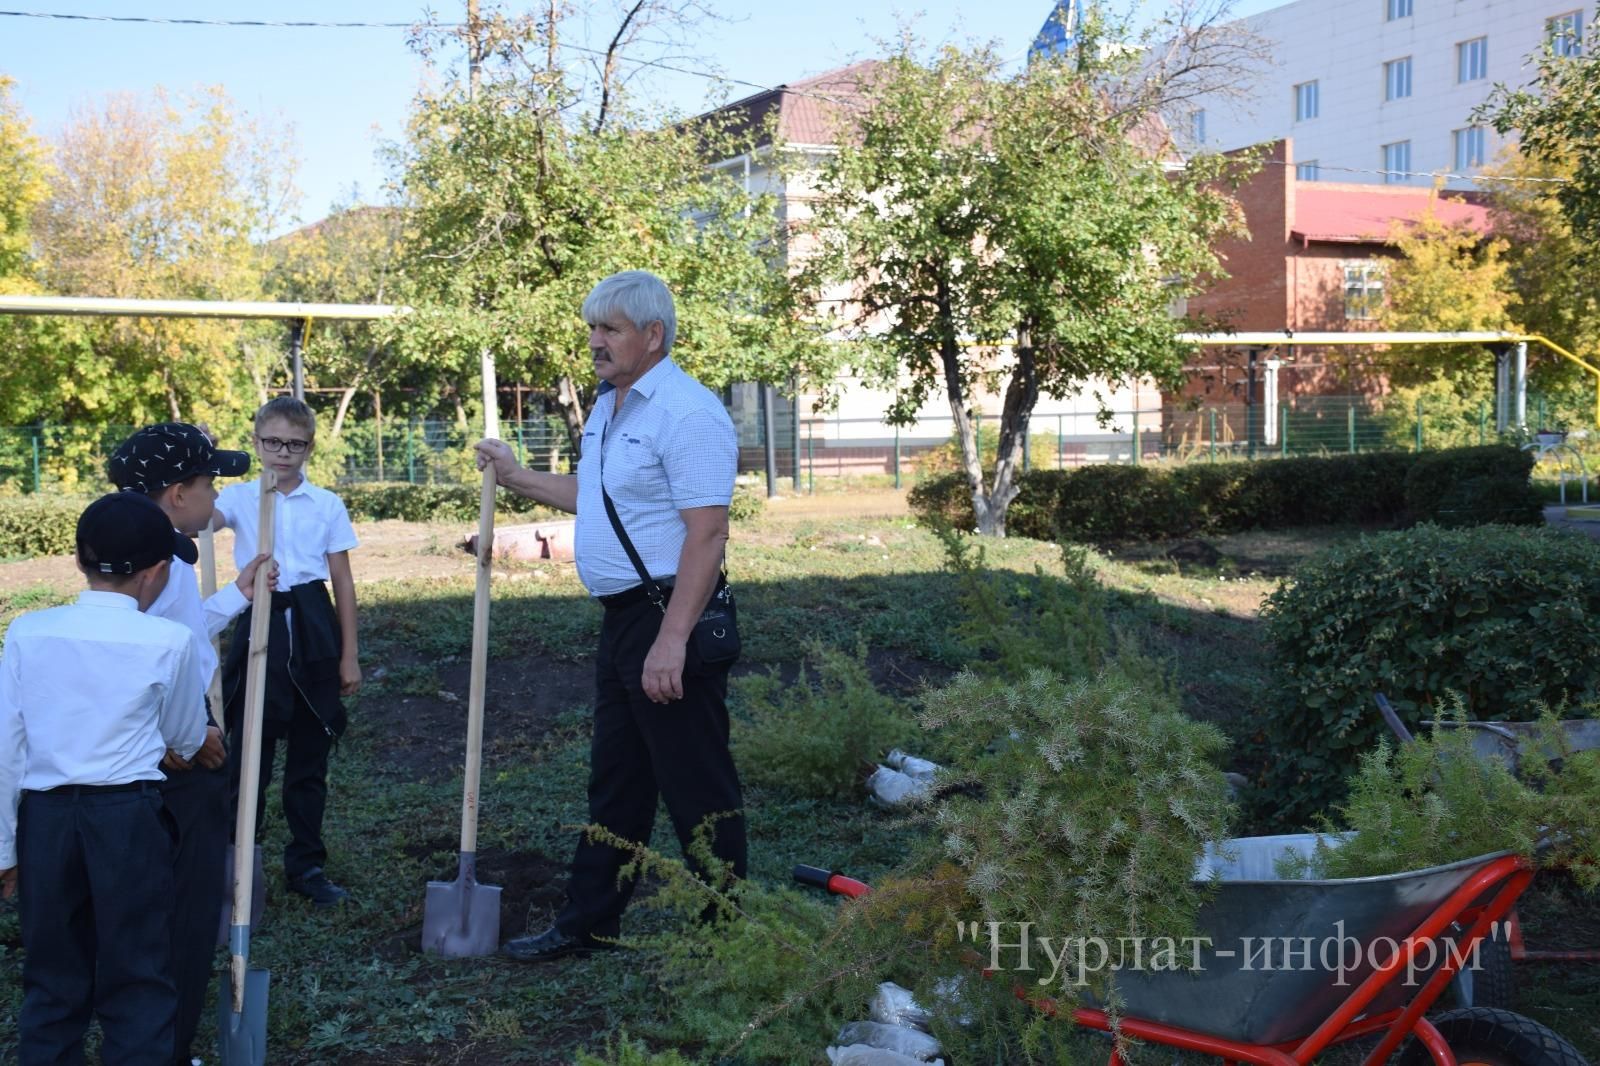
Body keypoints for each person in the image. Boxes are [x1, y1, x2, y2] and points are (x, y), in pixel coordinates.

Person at [475, 269, 746, 962]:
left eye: (611, 329)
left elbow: (707, 534)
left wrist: (673, 640)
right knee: (617, 783)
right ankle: (587, 924)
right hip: (625, 622)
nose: (595, 341)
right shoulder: (609, 407)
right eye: (592, 327)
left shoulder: (687, 414)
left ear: (652, 336)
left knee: (697, 785)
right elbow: (594, 496)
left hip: (669, 616)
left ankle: (731, 937)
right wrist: (515, 476)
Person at [0, 492, 208, 1066]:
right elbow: (186, 735)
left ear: (77, 559)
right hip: (127, 820)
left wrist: (4, 848)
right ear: (158, 572)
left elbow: (7, 749)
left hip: (45, 822)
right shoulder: (169, 642)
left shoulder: (28, 632)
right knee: (139, 974)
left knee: (51, 977)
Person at [107, 420, 275, 1066]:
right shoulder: (160, 562)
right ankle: (165, 1048)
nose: (217, 498)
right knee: (184, 908)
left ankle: (160, 1042)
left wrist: (235, 595)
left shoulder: (153, 556)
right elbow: (144, 663)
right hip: (177, 756)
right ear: (177, 493)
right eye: (211, 484)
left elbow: (181, 634)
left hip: (170, 744)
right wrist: (183, 738)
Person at [216, 396, 361, 907]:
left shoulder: (325, 504)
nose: (283, 452)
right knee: (249, 752)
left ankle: (306, 866)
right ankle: (240, 863)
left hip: (313, 622)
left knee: (309, 754)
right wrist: (200, 461)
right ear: (256, 443)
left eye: (294, 444)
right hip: (259, 622)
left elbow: (342, 580)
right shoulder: (237, 498)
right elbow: (196, 520)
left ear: (309, 448)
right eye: (273, 442)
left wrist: (349, 655)